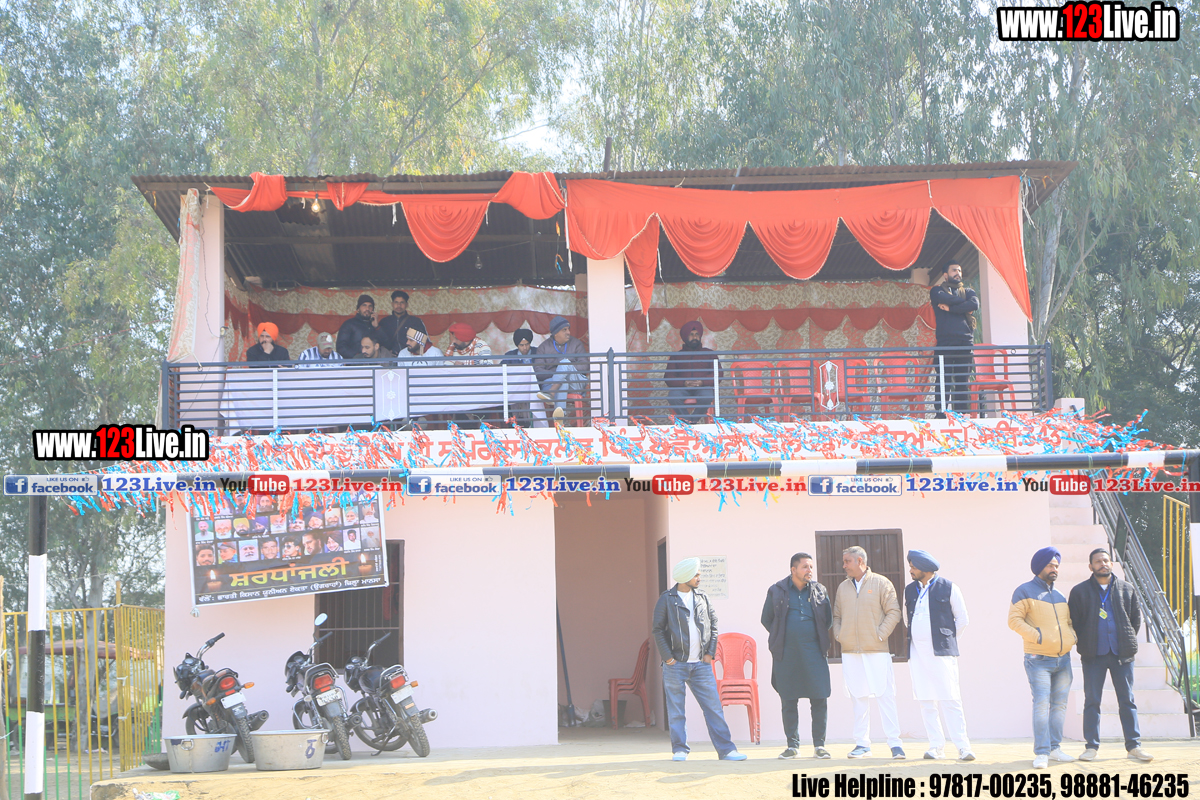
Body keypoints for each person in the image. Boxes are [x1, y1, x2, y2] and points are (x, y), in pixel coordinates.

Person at [652, 557, 747, 762]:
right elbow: (658, 630)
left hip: (701, 666)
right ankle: (680, 750)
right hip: (675, 665)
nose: (699, 578)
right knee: (676, 711)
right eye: (696, 575)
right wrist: (668, 658)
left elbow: (713, 625)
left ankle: (727, 750)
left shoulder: (703, 597)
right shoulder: (667, 599)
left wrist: (709, 653)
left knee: (713, 708)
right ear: (685, 576)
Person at [1067, 548, 1153, 763]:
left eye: (1106, 560)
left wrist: (1124, 640)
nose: (1102, 564)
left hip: (1121, 655)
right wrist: (1086, 641)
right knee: (1092, 701)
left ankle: (1134, 746)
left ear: (1112, 564)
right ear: (1090, 566)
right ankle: (1091, 747)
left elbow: (1135, 620)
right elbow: (1074, 621)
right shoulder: (1079, 591)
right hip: (1093, 656)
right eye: (1098, 561)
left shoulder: (1127, 589)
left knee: (1127, 700)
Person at [832, 545, 905, 759]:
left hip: (876, 650)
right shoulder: (843, 587)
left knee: (885, 696)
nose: (844, 566)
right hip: (850, 652)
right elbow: (836, 616)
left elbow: (894, 612)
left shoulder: (881, 583)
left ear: (860, 562)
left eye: (847, 561)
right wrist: (840, 635)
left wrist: (879, 635)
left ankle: (895, 744)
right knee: (858, 697)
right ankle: (862, 744)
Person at [1009, 546, 1077, 769]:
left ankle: (1055, 748)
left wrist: (1072, 637)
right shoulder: (1024, 591)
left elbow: (1068, 622)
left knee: (1059, 705)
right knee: (1041, 704)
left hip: (1063, 659)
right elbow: (1014, 621)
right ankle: (1041, 752)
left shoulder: (1060, 595)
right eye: (1049, 565)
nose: (1054, 569)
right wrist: (1038, 637)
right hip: (1038, 660)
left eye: (1056, 565)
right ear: (1039, 567)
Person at [903, 550, 974, 761]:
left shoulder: (949, 587)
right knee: (926, 700)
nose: (910, 570)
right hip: (917, 654)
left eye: (913, 567)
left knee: (950, 698)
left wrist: (946, 640)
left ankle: (963, 747)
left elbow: (962, 620)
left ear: (925, 568)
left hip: (941, 653)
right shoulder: (910, 590)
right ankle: (936, 746)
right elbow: (908, 619)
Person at [760, 552, 832, 759]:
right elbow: (766, 619)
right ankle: (792, 746)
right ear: (793, 570)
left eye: (811, 567)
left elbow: (827, 620)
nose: (810, 571)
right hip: (786, 653)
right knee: (788, 699)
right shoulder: (776, 590)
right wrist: (784, 636)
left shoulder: (819, 590)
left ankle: (819, 746)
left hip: (814, 653)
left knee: (819, 698)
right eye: (805, 567)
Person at [929, 262, 978, 417]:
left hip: (965, 342)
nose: (958, 273)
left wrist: (951, 308)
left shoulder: (968, 291)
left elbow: (975, 304)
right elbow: (944, 298)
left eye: (960, 270)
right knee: (943, 381)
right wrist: (964, 305)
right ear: (945, 275)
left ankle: (961, 415)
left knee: (962, 381)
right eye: (954, 270)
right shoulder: (936, 291)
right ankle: (941, 414)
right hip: (945, 343)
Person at [663, 321, 720, 423]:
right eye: (691, 334)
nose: (695, 337)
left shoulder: (709, 354)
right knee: (673, 397)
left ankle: (691, 422)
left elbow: (718, 374)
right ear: (685, 337)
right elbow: (669, 377)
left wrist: (702, 382)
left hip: (703, 387)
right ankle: (689, 421)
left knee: (707, 396)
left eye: (697, 334)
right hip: (682, 387)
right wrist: (684, 383)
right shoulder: (676, 356)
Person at [533, 316, 588, 421]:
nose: (568, 332)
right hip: (550, 382)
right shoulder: (543, 347)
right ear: (555, 333)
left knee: (565, 362)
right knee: (562, 382)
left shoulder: (576, 344)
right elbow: (538, 371)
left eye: (568, 329)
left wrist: (565, 368)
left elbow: (584, 365)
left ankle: (552, 392)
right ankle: (561, 419)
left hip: (575, 383)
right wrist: (559, 373)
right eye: (564, 330)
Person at [377, 290, 427, 354]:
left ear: (407, 304)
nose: (399, 305)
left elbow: (424, 341)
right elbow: (379, 342)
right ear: (392, 304)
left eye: (402, 302)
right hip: (390, 357)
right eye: (396, 302)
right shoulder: (384, 322)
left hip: (409, 356)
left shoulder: (415, 321)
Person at [336, 295, 378, 359]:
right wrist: (357, 357)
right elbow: (341, 347)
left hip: (374, 363)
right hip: (355, 363)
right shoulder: (349, 324)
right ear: (358, 309)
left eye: (370, 306)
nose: (367, 309)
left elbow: (386, 345)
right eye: (364, 305)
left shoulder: (375, 325)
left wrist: (377, 327)